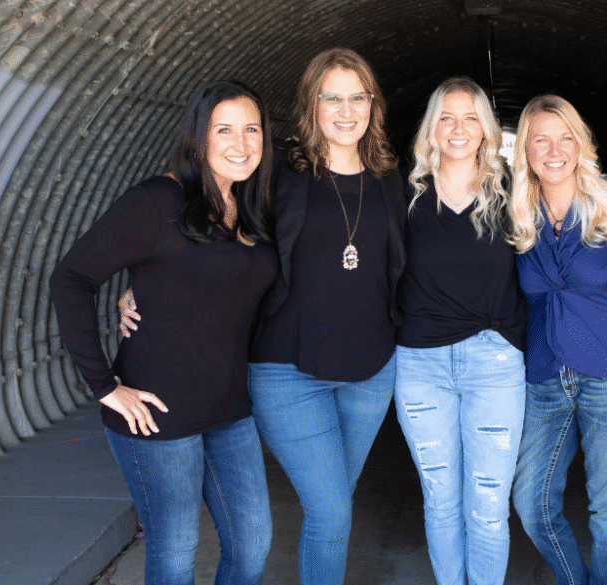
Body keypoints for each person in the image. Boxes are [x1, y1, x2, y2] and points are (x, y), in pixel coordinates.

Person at [121, 48, 405, 585]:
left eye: (357, 97)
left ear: (374, 104)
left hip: (371, 373)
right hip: (289, 371)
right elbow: (202, 216)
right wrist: (138, 284)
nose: (346, 111)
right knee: (331, 511)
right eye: (332, 98)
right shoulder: (277, 171)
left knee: (334, 511)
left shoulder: (390, 177)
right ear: (310, 105)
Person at [50, 81, 276, 585]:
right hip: (157, 415)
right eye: (224, 130)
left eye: (251, 129)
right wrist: (105, 387)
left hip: (230, 411)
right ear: (199, 137)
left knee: (252, 545)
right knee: (175, 555)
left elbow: (211, 285)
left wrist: (142, 289)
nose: (241, 143)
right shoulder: (158, 200)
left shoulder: (253, 206)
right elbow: (72, 278)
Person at [395, 77, 528, 585]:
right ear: (430, 128)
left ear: (486, 130)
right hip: (420, 365)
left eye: (470, 117)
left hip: (494, 364)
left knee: (490, 506)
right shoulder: (402, 195)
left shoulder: (512, 191)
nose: (458, 128)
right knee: (441, 501)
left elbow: (575, 198)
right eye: (446, 117)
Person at [508, 94, 607, 585]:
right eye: (540, 139)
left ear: (580, 143)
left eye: (564, 137)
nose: (553, 150)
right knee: (531, 502)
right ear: (524, 149)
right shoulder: (517, 213)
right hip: (544, 373)